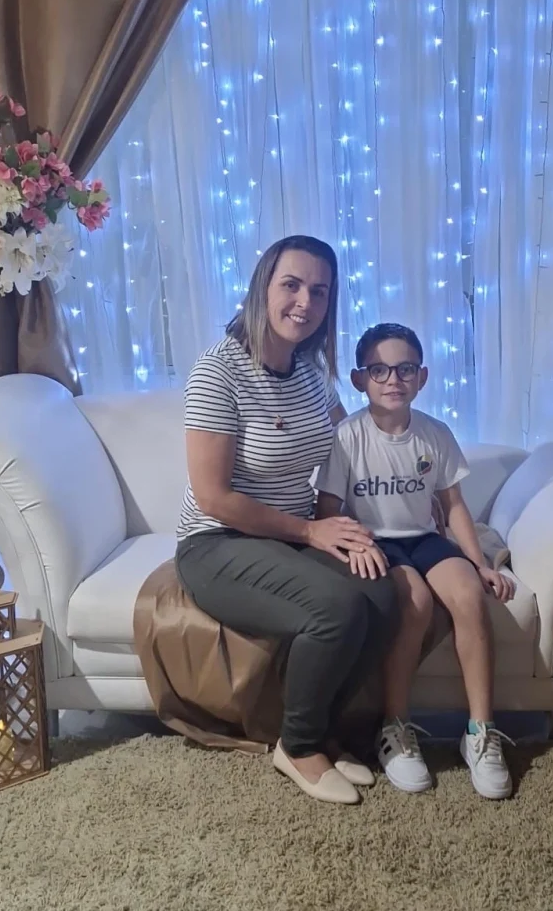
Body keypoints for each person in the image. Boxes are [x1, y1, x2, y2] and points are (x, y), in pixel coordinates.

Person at [175, 236, 397, 805]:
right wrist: (310, 532)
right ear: (262, 288)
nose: (305, 302)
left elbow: (351, 445)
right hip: (217, 541)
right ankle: (296, 747)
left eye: (319, 292)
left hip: (290, 533)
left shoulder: (311, 371)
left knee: (381, 592)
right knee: (335, 608)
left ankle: (321, 731)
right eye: (291, 285)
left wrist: (413, 494)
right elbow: (214, 497)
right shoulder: (218, 372)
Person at [315, 323, 516, 799]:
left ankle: (481, 733)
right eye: (379, 370)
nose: (393, 379)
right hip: (376, 541)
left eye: (405, 369)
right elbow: (327, 511)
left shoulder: (434, 434)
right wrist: (354, 546)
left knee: (468, 594)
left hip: (424, 539)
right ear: (359, 379)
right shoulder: (346, 437)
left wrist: (480, 563)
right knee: (416, 603)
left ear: (422, 377)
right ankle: (396, 729)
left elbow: (454, 506)